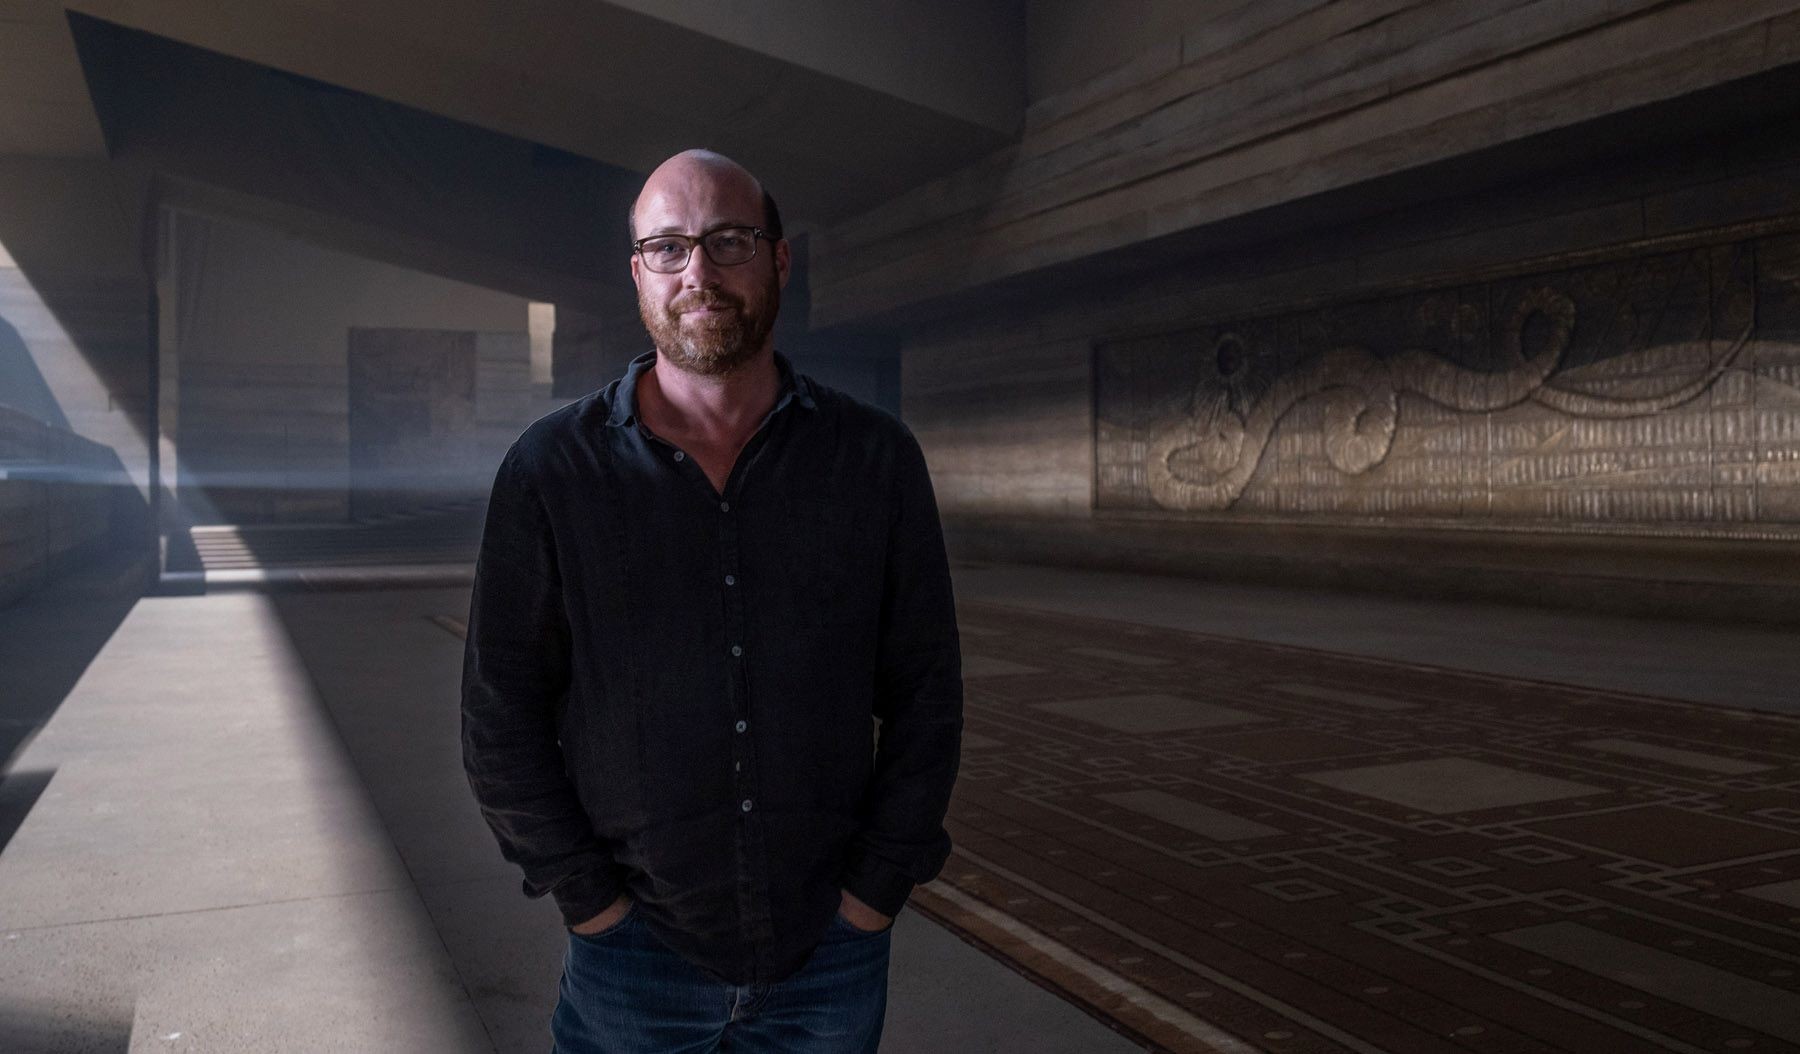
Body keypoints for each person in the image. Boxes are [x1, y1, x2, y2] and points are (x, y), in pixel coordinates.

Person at [461, 148, 963, 1053]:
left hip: (830, 954)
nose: (699, 270)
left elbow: (927, 694)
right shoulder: (550, 471)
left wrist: (874, 895)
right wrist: (591, 904)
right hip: (632, 961)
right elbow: (500, 718)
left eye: (729, 240)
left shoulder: (876, 461)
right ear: (638, 273)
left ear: (778, 259)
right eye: (668, 247)